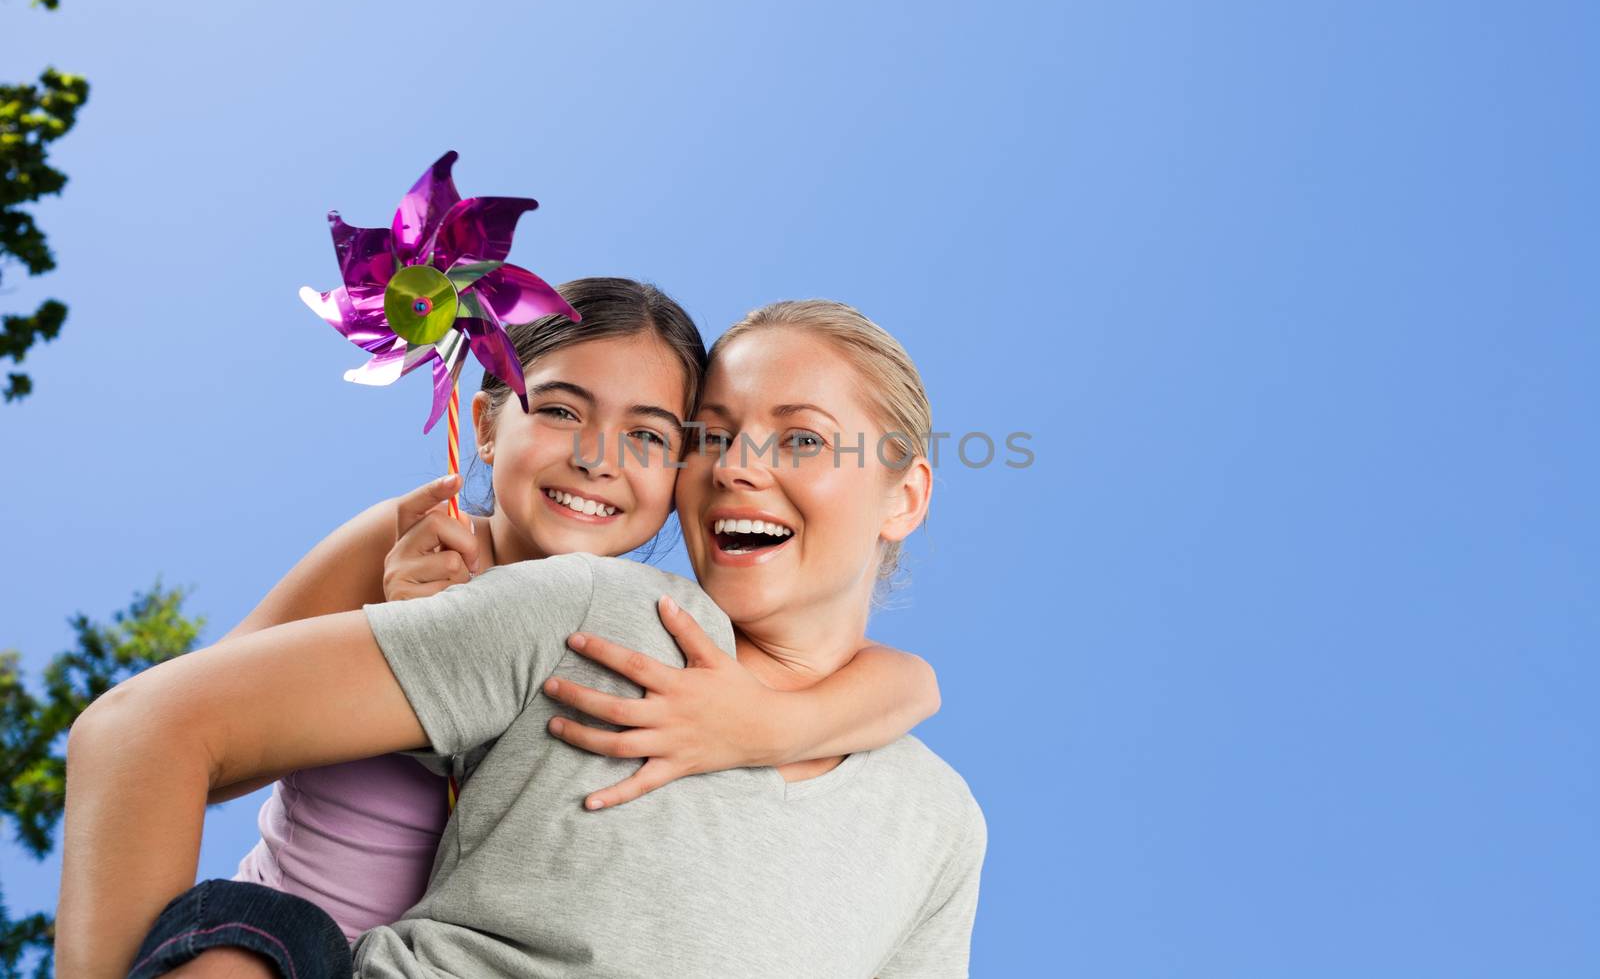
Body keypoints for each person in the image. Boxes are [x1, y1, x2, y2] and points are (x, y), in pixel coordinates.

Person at [59, 299, 987, 978]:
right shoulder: (561, 598)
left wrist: (781, 725)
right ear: (485, 424)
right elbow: (156, 728)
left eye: (802, 440)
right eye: (713, 436)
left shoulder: (936, 819)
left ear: (905, 495)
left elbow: (906, 687)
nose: (739, 467)